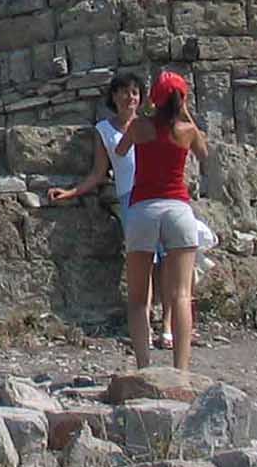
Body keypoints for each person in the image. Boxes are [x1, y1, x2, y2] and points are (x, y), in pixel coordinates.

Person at [46, 72, 175, 349]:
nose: (131, 97)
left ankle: (167, 327)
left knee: (166, 261)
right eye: (125, 92)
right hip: (131, 199)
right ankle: (145, 326)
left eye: (135, 92)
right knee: (143, 261)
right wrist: (72, 192)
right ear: (114, 96)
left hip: (158, 194)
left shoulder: (149, 125)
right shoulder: (104, 130)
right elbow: (99, 173)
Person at [115, 71, 209, 371]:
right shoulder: (186, 131)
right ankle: (181, 370)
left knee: (138, 299)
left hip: (143, 208)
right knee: (181, 295)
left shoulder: (139, 127)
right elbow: (204, 153)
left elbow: (120, 150)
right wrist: (186, 114)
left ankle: (144, 367)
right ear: (182, 99)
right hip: (178, 209)